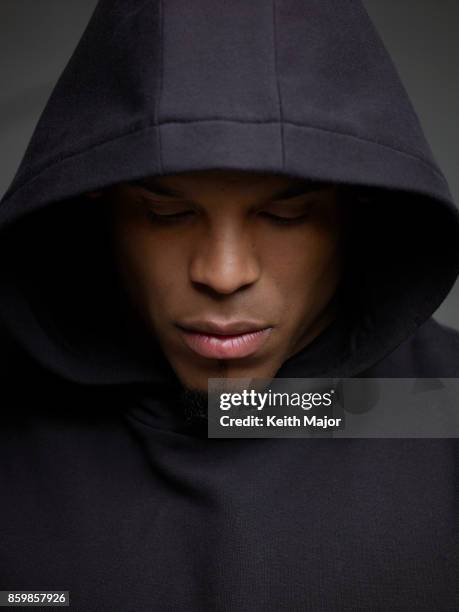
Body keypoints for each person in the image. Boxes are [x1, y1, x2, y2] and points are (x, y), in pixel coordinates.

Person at [0, 1, 458, 610]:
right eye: (167, 214)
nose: (222, 274)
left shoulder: (447, 407)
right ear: (97, 205)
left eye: (285, 214)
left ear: (358, 207)